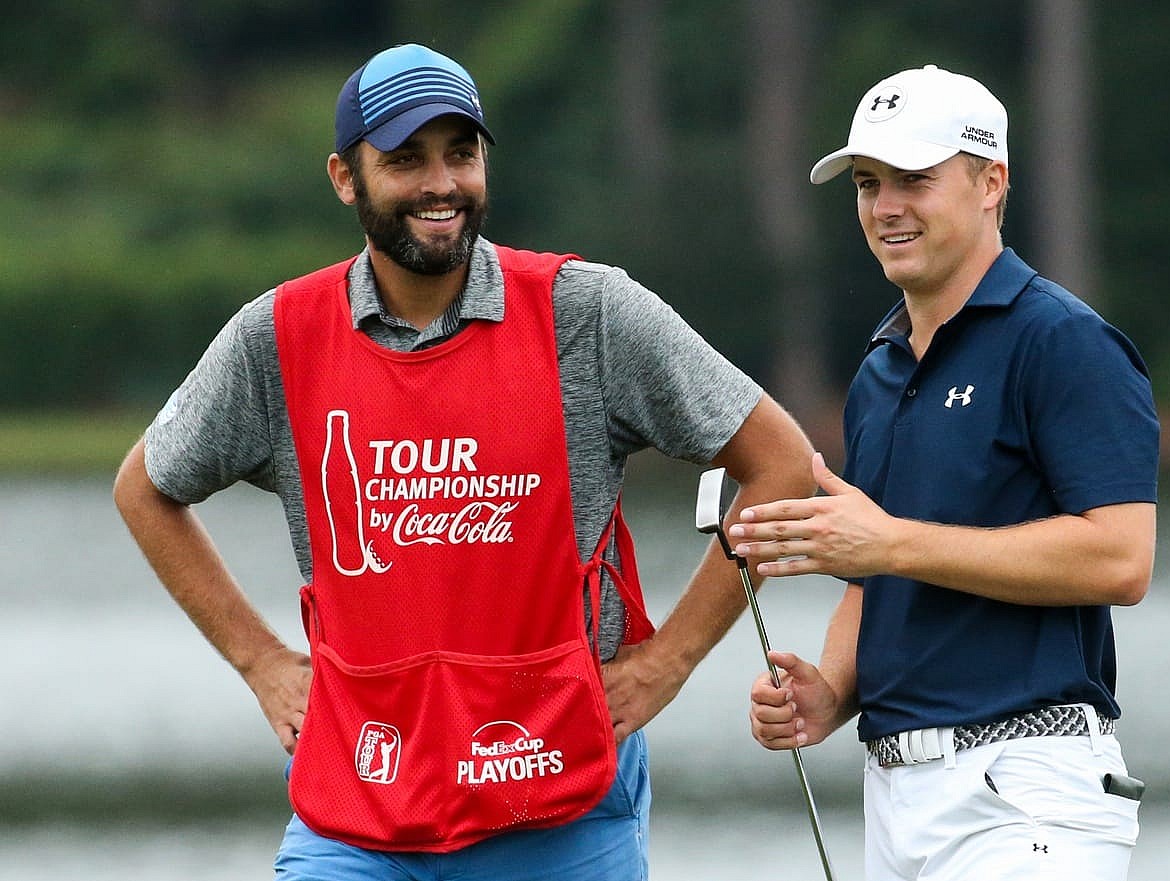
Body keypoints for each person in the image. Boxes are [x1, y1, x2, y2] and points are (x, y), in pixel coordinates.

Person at [113, 43, 814, 881]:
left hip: (557, 787)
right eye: (405, 159)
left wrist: (671, 660)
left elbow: (780, 462)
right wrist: (260, 662)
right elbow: (145, 489)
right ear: (345, 177)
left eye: (461, 153)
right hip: (362, 800)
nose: (440, 183)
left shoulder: (586, 311)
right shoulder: (278, 336)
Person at [734, 65, 1159, 881]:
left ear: (990, 182)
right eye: (868, 183)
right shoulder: (879, 368)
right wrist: (830, 693)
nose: (885, 206)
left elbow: (1120, 558)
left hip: (1028, 786)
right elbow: (871, 580)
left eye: (913, 179)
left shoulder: (1062, 341)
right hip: (893, 794)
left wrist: (890, 543)